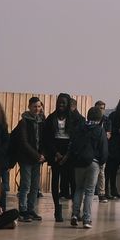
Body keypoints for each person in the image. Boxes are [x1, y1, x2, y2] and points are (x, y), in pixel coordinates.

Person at [41, 94, 84, 223]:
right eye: (59, 103)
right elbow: (47, 138)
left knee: (73, 183)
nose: (61, 105)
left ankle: (75, 211)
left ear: (68, 104)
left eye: (64, 103)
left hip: (70, 152)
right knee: (55, 181)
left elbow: (78, 136)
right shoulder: (51, 118)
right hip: (56, 152)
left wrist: (68, 154)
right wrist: (56, 153)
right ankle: (57, 210)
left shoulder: (75, 118)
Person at [68, 106, 108, 228]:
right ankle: (87, 219)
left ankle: (75, 214)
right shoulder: (100, 130)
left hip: (79, 163)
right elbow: (104, 149)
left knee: (78, 188)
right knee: (90, 191)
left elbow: (73, 144)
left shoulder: (79, 128)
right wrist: (101, 162)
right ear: (100, 117)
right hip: (93, 163)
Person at [11, 97, 44, 221]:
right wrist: (37, 155)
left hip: (38, 159)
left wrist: (43, 155)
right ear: (29, 107)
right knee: (25, 185)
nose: (37, 109)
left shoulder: (42, 121)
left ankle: (31, 209)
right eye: (35, 106)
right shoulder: (23, 122)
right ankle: (23, 210)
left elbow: (44, 140)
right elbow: (23, 142)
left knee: (35, 186)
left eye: (39, 106)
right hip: (26, 158)